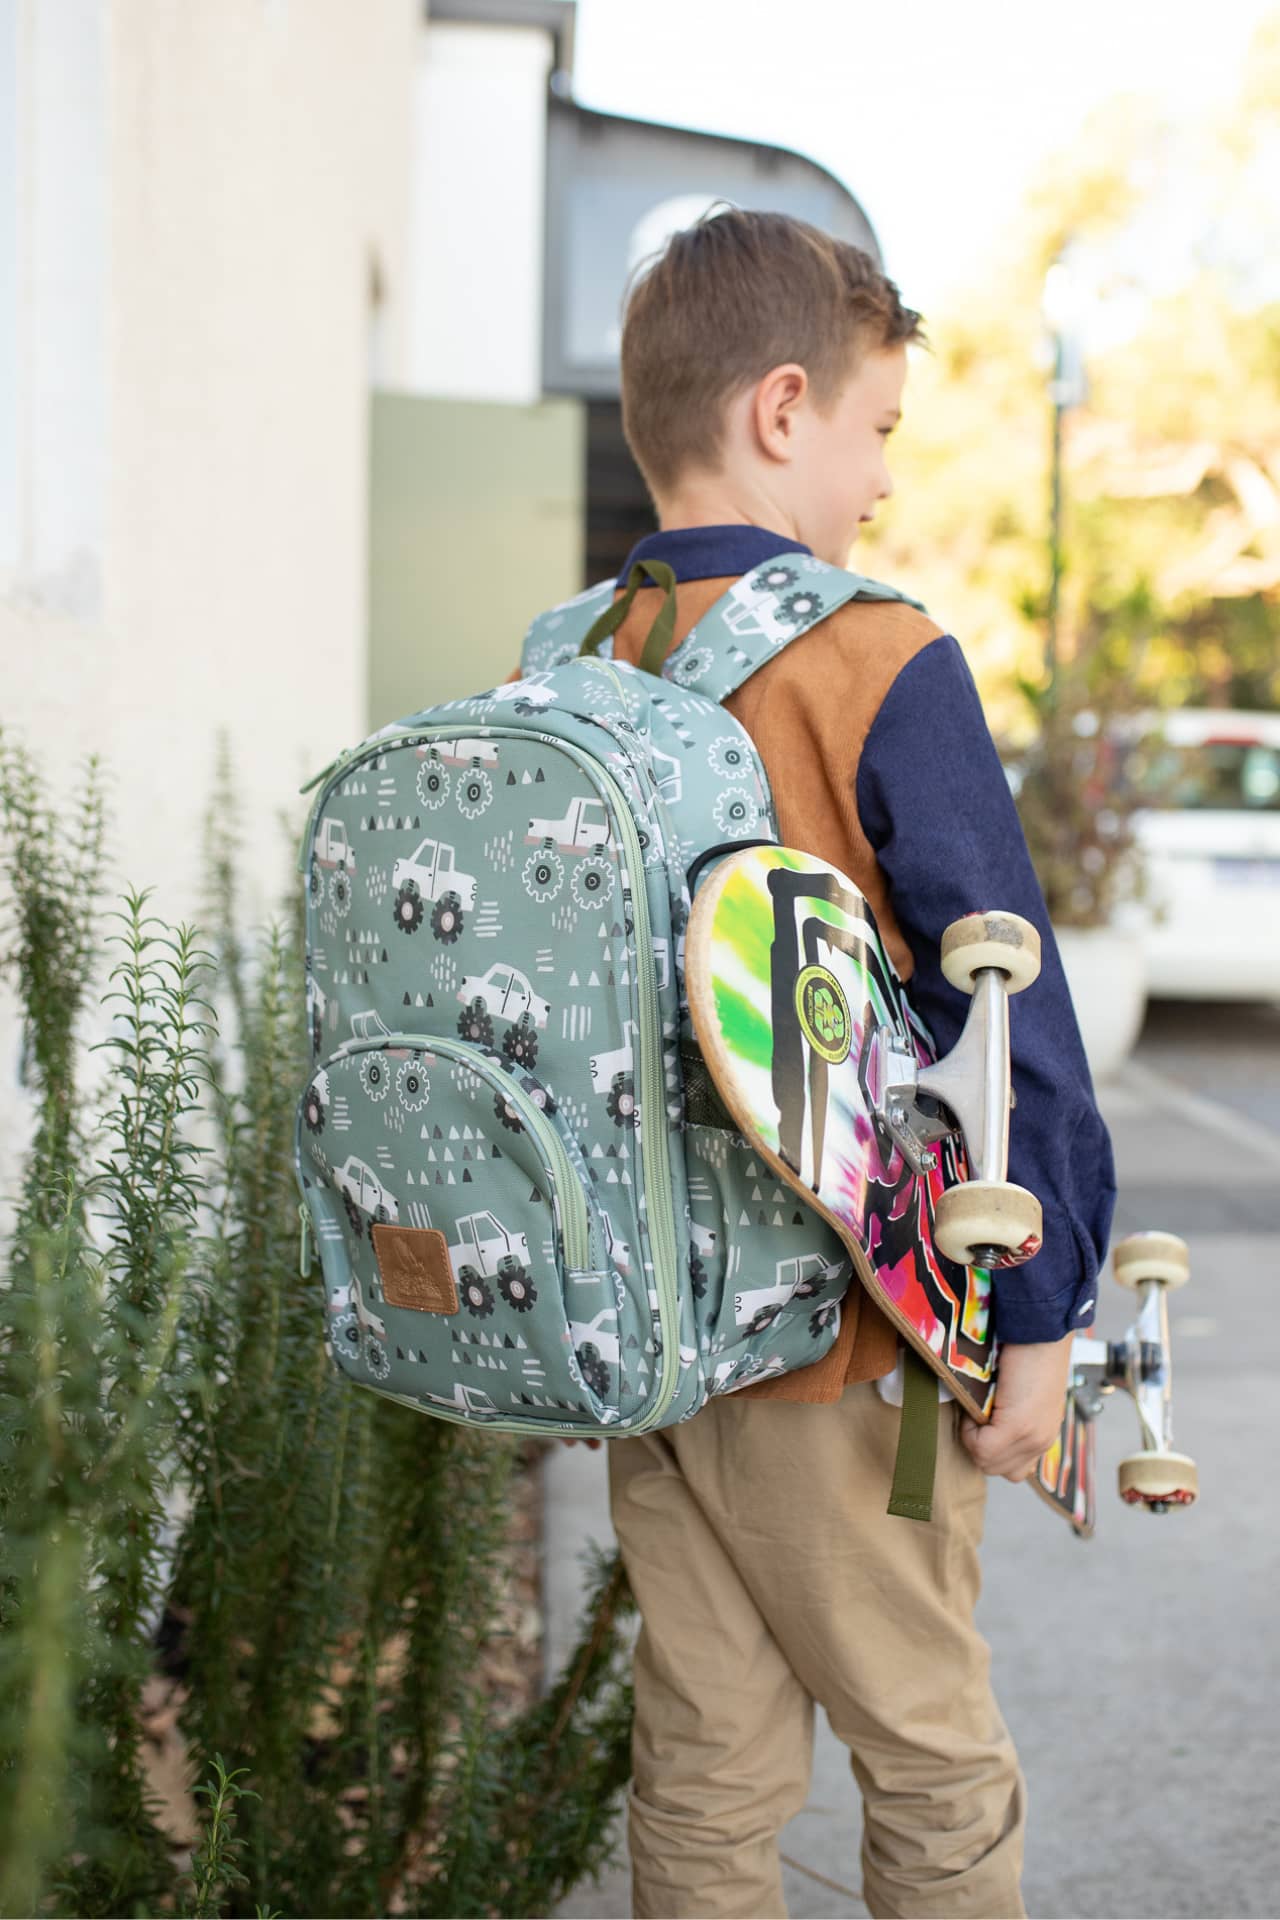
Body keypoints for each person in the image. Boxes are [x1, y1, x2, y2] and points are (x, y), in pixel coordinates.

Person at [559, 207, 1115, 1920]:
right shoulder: (879, 654)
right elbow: (999, 1011)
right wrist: (1043, 1316)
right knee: (935, 1759)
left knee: (712, 1770)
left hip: (650, 1341)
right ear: (784, 410)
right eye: (879, 428)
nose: (881, 480)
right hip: (849, 1359)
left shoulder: (569, 660)